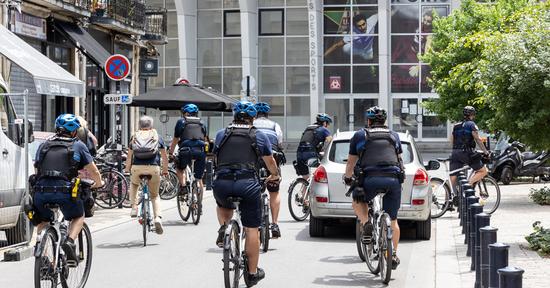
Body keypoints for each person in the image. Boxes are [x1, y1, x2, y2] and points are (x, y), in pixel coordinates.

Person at [213, 101, 280, 286]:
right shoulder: (257, 135)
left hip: (222, 183)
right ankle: (251, 273)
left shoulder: (221, 134)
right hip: (247, 184)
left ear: (234, 116)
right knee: (252, 229)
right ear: (252, 118)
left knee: (223, 204)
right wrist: (274, 175)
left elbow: (216, 157)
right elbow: (270, 161)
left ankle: (224, 228)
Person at [33, 114, 103, 266]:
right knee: (78, 215)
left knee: (43, 221)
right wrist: (99, 183)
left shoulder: (44, 145)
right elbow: (94, 171)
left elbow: (36, 168)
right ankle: (69, 241)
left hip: (40, 192)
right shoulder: (78, 145)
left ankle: (42, 255)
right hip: (64, 192)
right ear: (74, 131)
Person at [343, 106, 404, 269]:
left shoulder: (360, 135)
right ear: (384, 121)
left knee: (357, 201)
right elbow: (399, 159)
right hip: (393, 179)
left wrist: (348, 178)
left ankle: (366, 222)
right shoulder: (394, 135)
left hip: (370, 179)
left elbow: (351, 162)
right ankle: (393, 254)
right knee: (393, 220)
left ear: (368, 121)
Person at [125, 116, 169, 234]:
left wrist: (127, 169)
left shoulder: (134, 136)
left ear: (140, 125)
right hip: (153, 168)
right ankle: (157, 218)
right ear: (151, 125)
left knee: (134, 184)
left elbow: (129, 157)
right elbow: (164, 157)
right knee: (154, 195)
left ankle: (134, 207)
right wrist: (165, 170)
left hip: (137, 168)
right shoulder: (157, 136)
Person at [253, 102, 284, 238]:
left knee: (254, 190)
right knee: (274, 191)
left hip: (255, 159)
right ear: (267, 114)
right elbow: (280, 142)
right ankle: (274, 223)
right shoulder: (274, 125)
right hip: (272, 158)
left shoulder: (251, 125)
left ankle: (256, 222)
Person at [169, 103, 207, 196]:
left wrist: (170, 153)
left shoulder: (181, 122)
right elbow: (205, 138)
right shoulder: (202, 123)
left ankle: (183, 187)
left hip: (185, 150)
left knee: (180, 168)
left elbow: (176, 139)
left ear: (184, 113)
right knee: (199, 178)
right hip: (200, 151)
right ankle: (199, 203)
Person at [449, 106, 490, 187]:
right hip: (467, 153)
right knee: (483, 171)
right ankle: (468, 186)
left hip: (455, 153)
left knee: (453, 175)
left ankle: (451, 196)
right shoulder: (471, 125)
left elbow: (452, 140)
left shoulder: (456, 126)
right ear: (472, 115)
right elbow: (477, 139)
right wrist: (486, 151)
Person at [294, 113, 333, 179]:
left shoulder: (308, 128)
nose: (328, 125)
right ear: (324, 123)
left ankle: (304, 188)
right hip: (310, 153)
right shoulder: (324, 129)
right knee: (323, 168)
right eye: (328, 123)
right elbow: (330, 141)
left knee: (305, 178)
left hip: (299, 152)